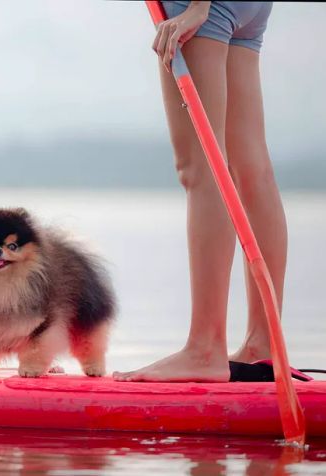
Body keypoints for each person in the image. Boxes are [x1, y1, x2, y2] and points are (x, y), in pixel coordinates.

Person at [113, 1, 283, 382]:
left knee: (201, 168)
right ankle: (264, 346)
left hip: (201, 7)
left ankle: (205, 348)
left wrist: (198, 7)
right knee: (250, 169)